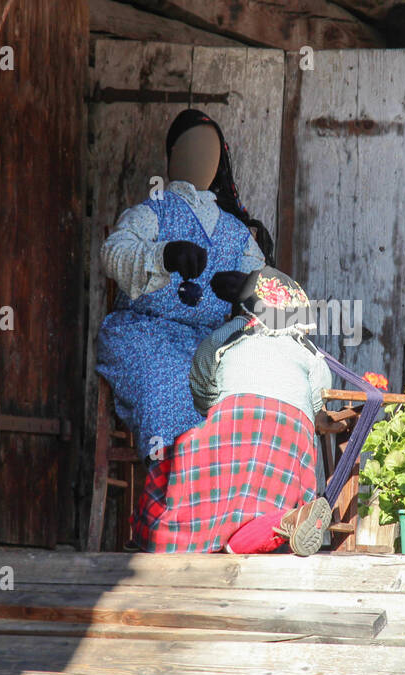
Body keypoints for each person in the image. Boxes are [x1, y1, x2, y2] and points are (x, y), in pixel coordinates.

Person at [97, 110, 273, 461]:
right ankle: (174, 490)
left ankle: (227, 499)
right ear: (173, 154)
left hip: (209, 345)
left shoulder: (236, 234)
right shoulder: (154, 212)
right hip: (144, 334)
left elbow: (275, 300)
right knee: (172, 385)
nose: (201, 157)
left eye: (210, 151)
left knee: (245, 391)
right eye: (193, 148)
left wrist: (247, 291)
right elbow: (113, 253)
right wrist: (165, 255)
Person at [131, 267, 337, 556]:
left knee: (171, 469)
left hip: (233, 427)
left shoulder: (231, 333)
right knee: (250, 525)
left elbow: (202, 378)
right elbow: (319, 397)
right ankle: (288, 521)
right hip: (291, 443)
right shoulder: (307, 350)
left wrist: (210, 407)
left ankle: (162, 540)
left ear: (244, 310)